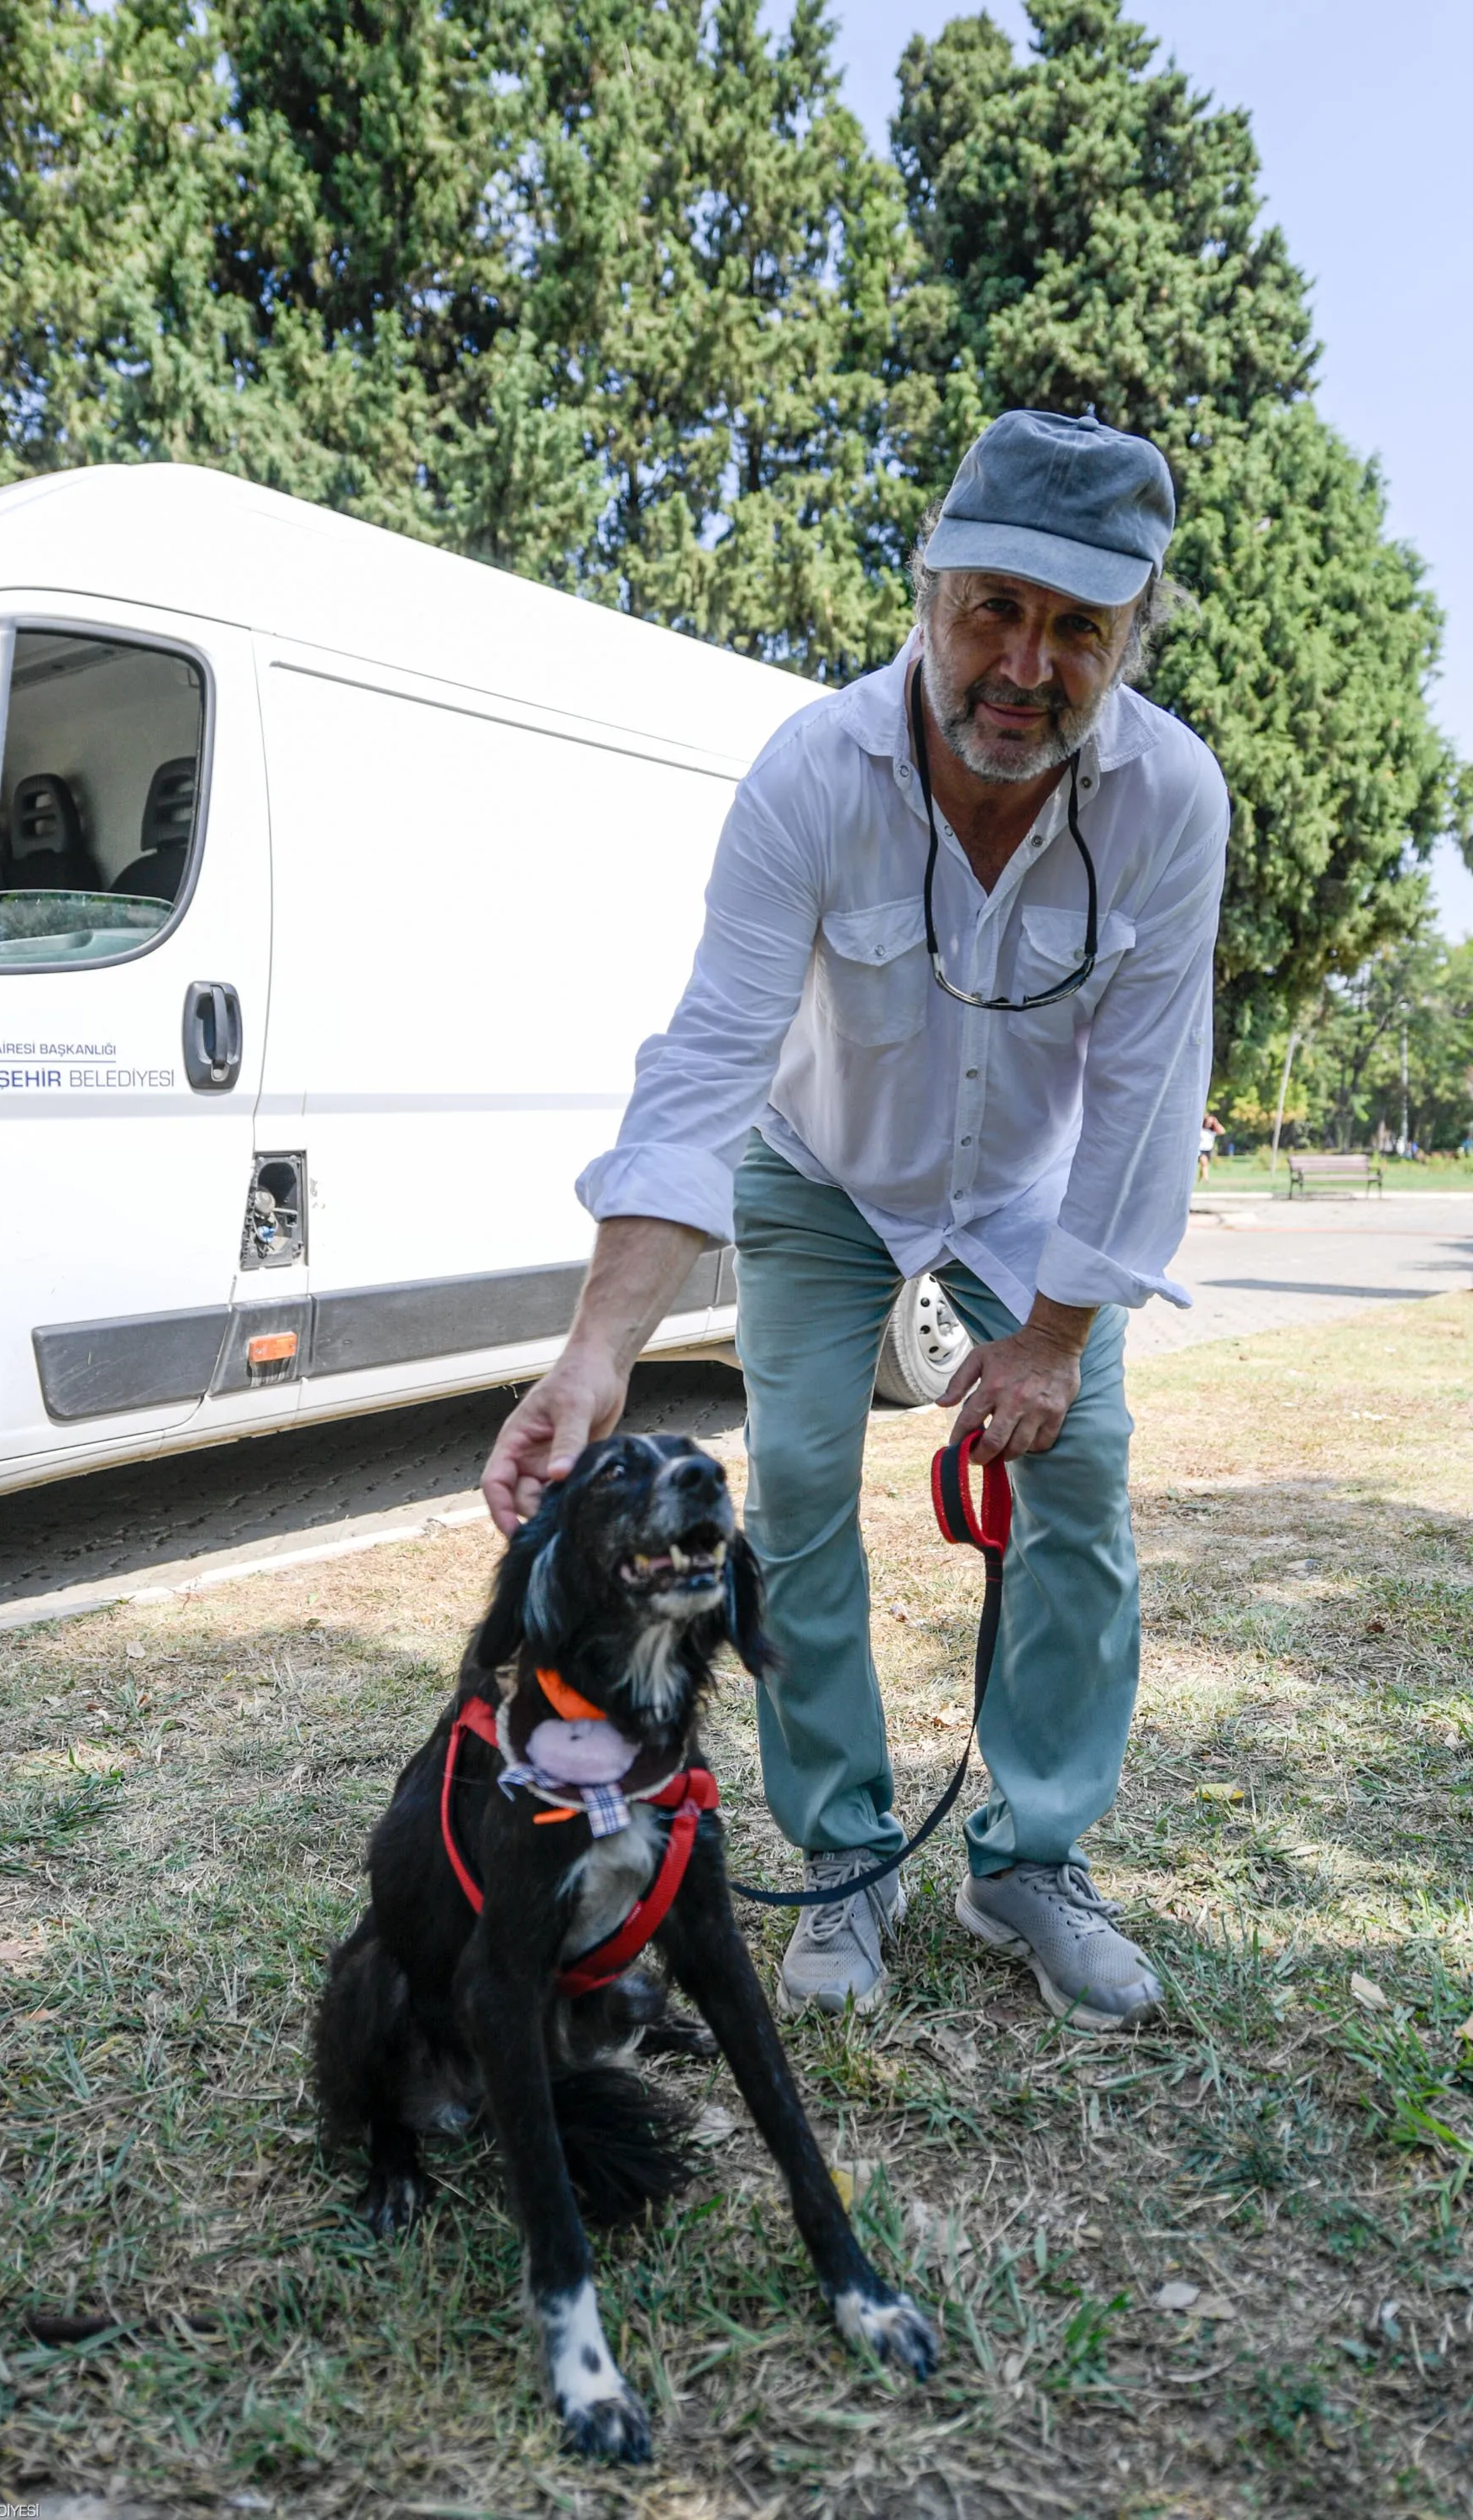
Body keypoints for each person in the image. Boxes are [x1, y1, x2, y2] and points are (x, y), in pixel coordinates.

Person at [482, 410, 1229, 2027]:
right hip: (815, 1169)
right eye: (996, 612)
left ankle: (1029, 1859)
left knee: (1080, 1501)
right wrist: (597, 1354)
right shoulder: (813, 775)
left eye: (1079, 628)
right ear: (929, 593)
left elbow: (1152, 1092)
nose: (1027, 664)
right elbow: (706, 1064)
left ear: (1129, 642)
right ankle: (843, 1859)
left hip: (1032, 1198)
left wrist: (1051, 1337)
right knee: (801, 1490)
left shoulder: (1173, 803)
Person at [1198, 1110, 1223, 1182]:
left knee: (1204, 1165)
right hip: (1200, 1149)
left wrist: (1216, 1122)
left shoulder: (1213, 1131)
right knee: (1204, 1163)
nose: (1209, 1123)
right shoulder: (1201, 1129)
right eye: (1208, 1121)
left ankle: (1200, 1178)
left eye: (1211, 1122)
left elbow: (1222, 1131)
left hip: (1208, 1149)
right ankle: (1206, 1179)